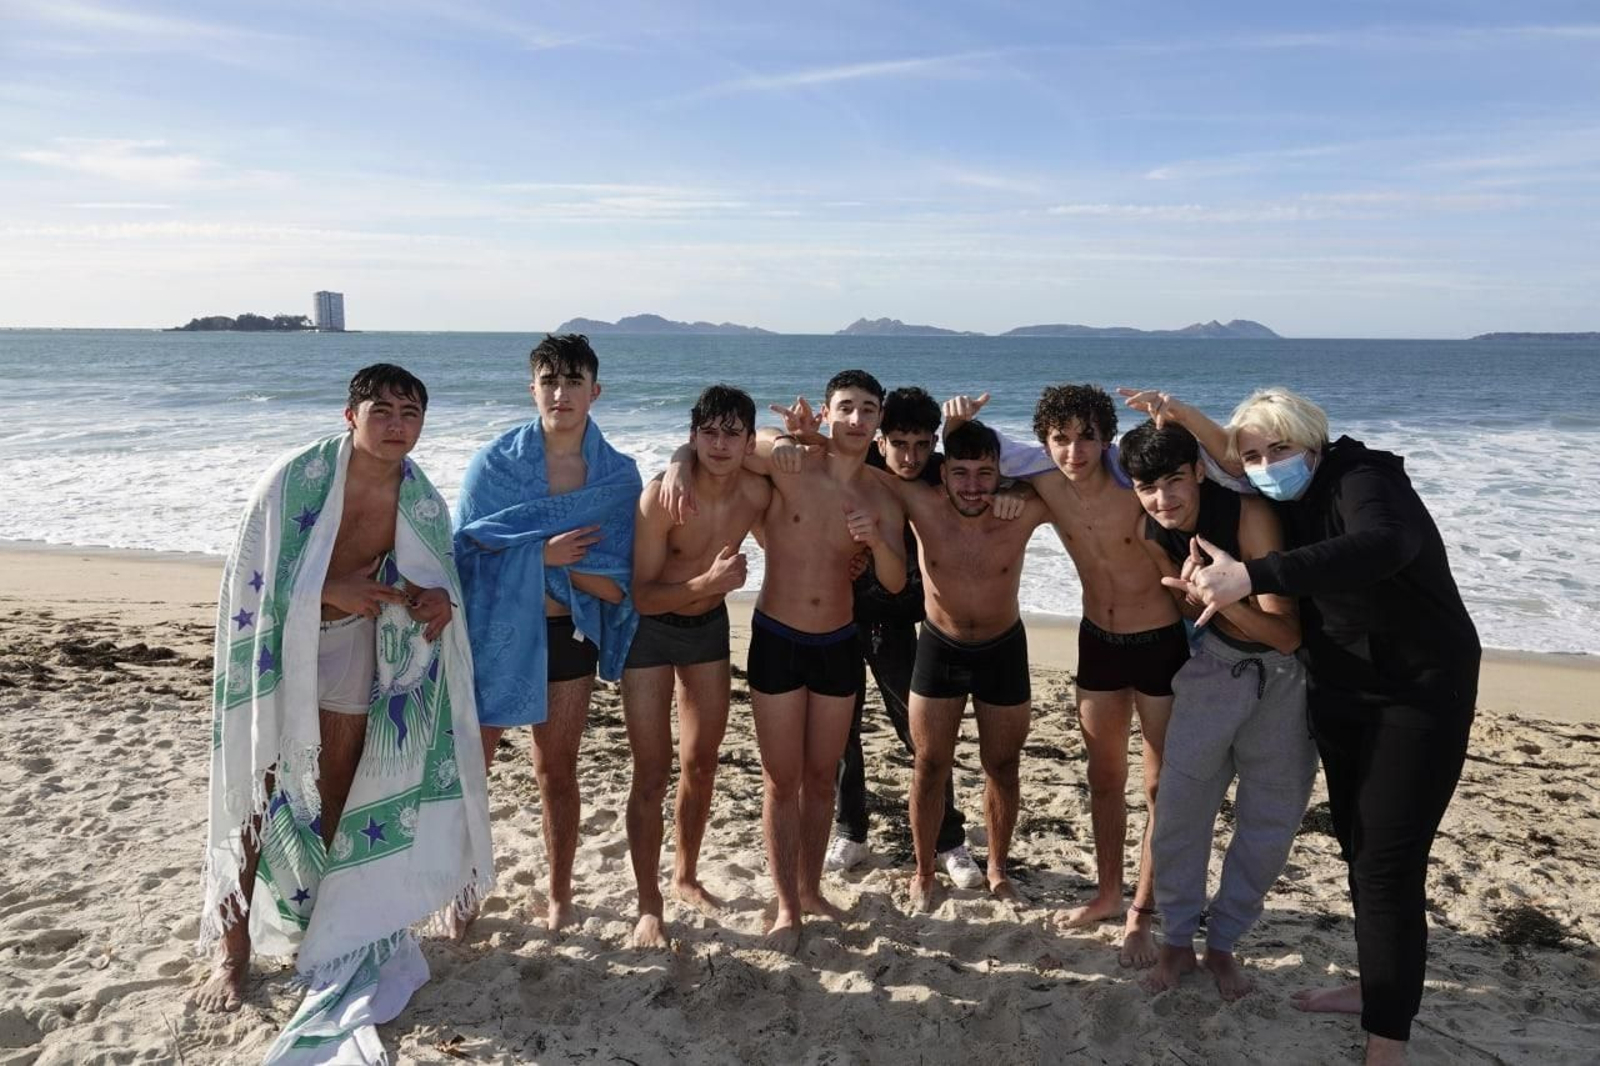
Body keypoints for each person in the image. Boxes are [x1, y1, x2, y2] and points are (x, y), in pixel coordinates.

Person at [1128, 387, 1479, 1066]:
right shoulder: (1290, 492)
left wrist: (1249, 577)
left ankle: (1386, 1036)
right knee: (1360, 848)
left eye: (1278, 449)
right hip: (1344, 687)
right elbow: (1228, 455)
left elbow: (1385, 544)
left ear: (1311, 439)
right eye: (1254, 455)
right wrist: (1176, 412)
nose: (1264, 463)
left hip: (1417, 691)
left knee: (1384, 863)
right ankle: (1382, 987)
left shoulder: (1362, 478)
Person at [195, 365, 493, 1059]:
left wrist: (438, 601)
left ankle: (330, 929)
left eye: (410, 413)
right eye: (381, 409)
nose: (396, 424)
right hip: (281, 649)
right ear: (348, 415)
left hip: (357, 647)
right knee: (258, 792)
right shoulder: (293, 481)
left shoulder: (419, 499)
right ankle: (232, 950)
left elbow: (431, 579)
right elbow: (249, 577)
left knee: (336, 795)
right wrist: (328, 592)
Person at [663, 370, 907, 952]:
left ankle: (812, 887)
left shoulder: (880, 493)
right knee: (782, 780)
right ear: (826, 413)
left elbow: (896, 583)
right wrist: (678, 460)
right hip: (777, 637)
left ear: (878, 420)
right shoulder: (790, 463)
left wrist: (874, 541)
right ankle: (786, 905)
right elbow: (724, 446)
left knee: (822, 779)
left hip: (839, 644)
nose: (855, 419)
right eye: (844, 408)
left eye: (867, 410)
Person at [945, 386, 1185, 967]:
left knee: (1159, 788)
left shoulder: (1135, 481)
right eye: (1060, 438)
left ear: (1107, 441)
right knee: (1104, 777)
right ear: (1046, 441)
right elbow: (970, 462)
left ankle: (1141, 913)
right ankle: (1108, 893)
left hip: (1160, 644)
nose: (1073, 451)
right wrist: (956, 429)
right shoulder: (1045, 482)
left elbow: (1204, 478)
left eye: (1087, 438)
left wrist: (1177, 423)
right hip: (1097, 643)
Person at [1117, 418, 1316, 1000]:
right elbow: (1194, 614)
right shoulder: (1154, 531)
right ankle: (1178, 942)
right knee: (1179, 814)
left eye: (1176, 480)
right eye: (1147, 487)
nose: (1164, 499)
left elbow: (1286, 635)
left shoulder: (1248, 518)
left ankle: (1223, 945)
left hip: (1283, 682)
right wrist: (1198, 602)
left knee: (1267, 825)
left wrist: (1217, 598)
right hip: (1212, 672)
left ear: (1201, 471)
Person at [454, 334, 641, 932]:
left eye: (573, 382)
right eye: (549, 382)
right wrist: (545, 555)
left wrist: (550, 563)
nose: (561, 394)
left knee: (556, 771)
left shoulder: (616, 477)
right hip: (496, 635)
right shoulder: (495, 465)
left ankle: (560, 894)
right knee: (472, 771)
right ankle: (462, 892)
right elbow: (465, 555)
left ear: (595, 391)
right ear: (531, 387)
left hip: (569, 640)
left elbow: (619, 584)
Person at [875, 419, 1055, 912]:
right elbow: (852, 468)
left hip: (1003, 648)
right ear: (943, 472)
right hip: (941, 645)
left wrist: (1022, 483)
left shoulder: (1021, 510)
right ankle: (924, 870)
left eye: (985, 473)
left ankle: (997, 869)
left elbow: (1077, 474)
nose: (973, 486)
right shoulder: (921, 502)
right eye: (961, 473)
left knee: (1002, 765)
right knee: (929, 764)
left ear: (999, 471)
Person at [622, 385, 770, 949]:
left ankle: (684, 876)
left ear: (749, 440)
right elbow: (641, 596)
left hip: (707, 633)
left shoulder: (756, 493)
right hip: (651, 636)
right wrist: (707, 583)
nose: (721, 443)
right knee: (652, 770)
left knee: (701, 763)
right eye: (709, 432)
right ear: (693, 437)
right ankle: (647, 904)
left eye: (734, 432)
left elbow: (805, 479)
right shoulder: (662, 498)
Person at [823, 386, 983, 891]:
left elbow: (1002, 477)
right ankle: (851, 832)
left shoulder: (944, 474)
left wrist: (962, 434)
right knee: (841, 732)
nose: (909, 456)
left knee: (922, 736)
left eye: (920, 444)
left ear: (933, 442)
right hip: (846, 612)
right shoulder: (859, 466)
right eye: (899, 443)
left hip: (905, 619)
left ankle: (949, 841)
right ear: (881, 440)